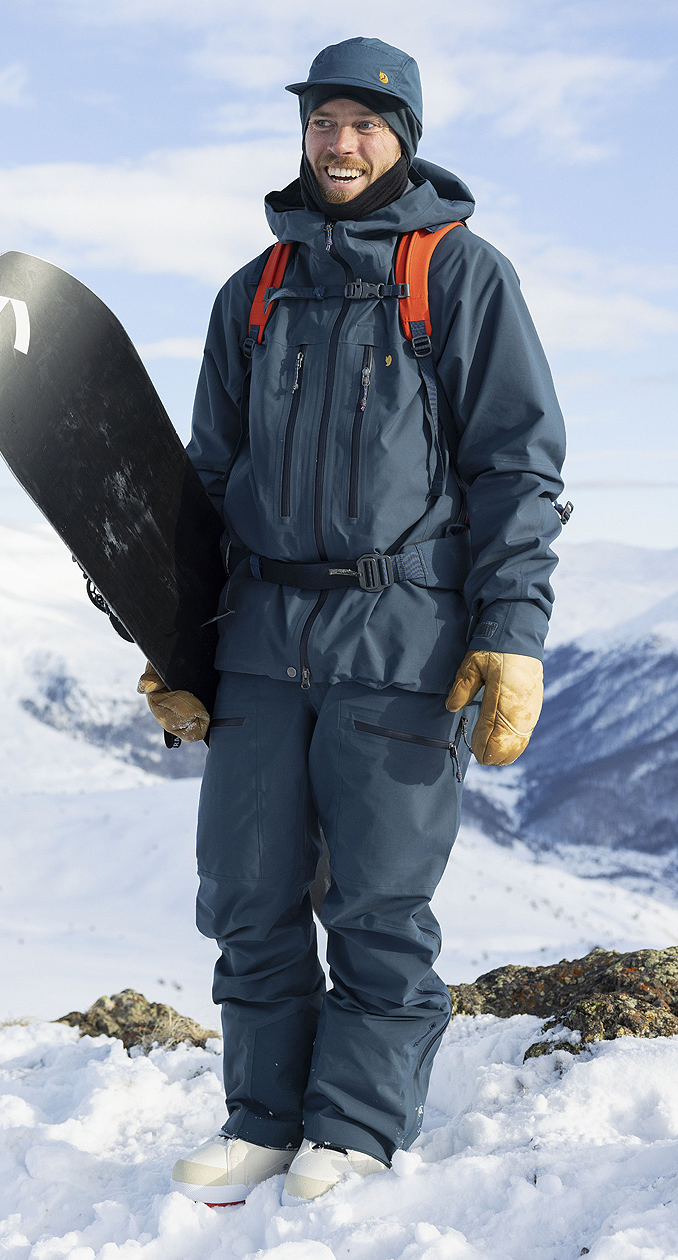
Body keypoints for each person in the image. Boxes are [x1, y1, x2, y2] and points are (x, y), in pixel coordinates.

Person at [138, 36, 566, 1204]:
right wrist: (175, 649)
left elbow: (517, 469)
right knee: (247, 891)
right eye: (323, 122)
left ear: (403, 138)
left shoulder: (460, 277)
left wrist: (512, 632)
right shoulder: (254, 292)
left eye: (365, 125)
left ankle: (357, 1125)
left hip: (404, 638)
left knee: (378, 900)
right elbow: (205, 486)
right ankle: (263, 1117)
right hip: (261, 637)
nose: (339, 143)